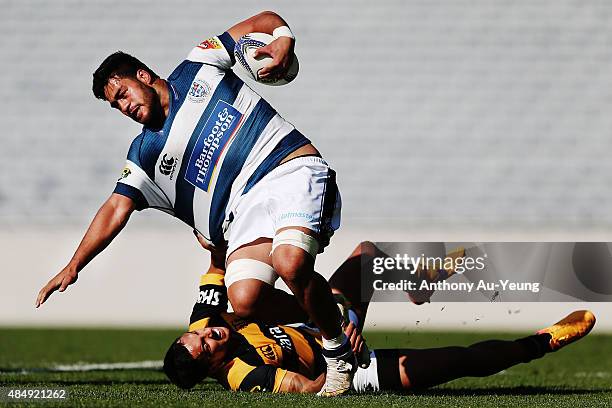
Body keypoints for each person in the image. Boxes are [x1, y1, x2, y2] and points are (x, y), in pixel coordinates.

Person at [35, 11, 354, 396]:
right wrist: (74, 265)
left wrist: (284, 38)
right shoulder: (144, 156)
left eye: (122, 94)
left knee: (290, 262)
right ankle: (329, 312)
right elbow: (114, 209)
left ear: (143, 76)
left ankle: (338, 355)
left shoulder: (199, 64)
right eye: (114, 106)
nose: (123, 107)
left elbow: (263, 21)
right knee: (244, 299)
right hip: (245, 213)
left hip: (288, 168)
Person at [163, 242, 596, 393]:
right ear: (213, 367)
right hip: (353, 368)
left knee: (367, 255)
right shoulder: (244, 376)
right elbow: (308, 388)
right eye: (207, 348)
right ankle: (544, 341)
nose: (210, 336)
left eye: (195, 337)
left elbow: (218, 263)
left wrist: (213, 236)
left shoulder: (204, 321)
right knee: (460, 363)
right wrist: (338, 363)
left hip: (324, 325)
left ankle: (416, 282)